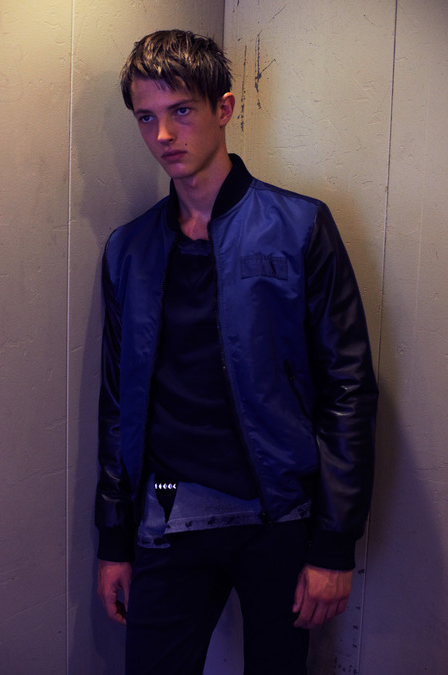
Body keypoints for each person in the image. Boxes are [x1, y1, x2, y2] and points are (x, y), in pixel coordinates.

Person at [95, 29, 378, 675]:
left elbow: (349, 389)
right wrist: (113, 538)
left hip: (279, 512)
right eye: (146, 117)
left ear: (223, 108)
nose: (164, 135)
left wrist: (334, 545)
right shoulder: (129, 249)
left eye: (181, 110)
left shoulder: (300, 226)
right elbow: (117, 404)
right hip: (169, 501)